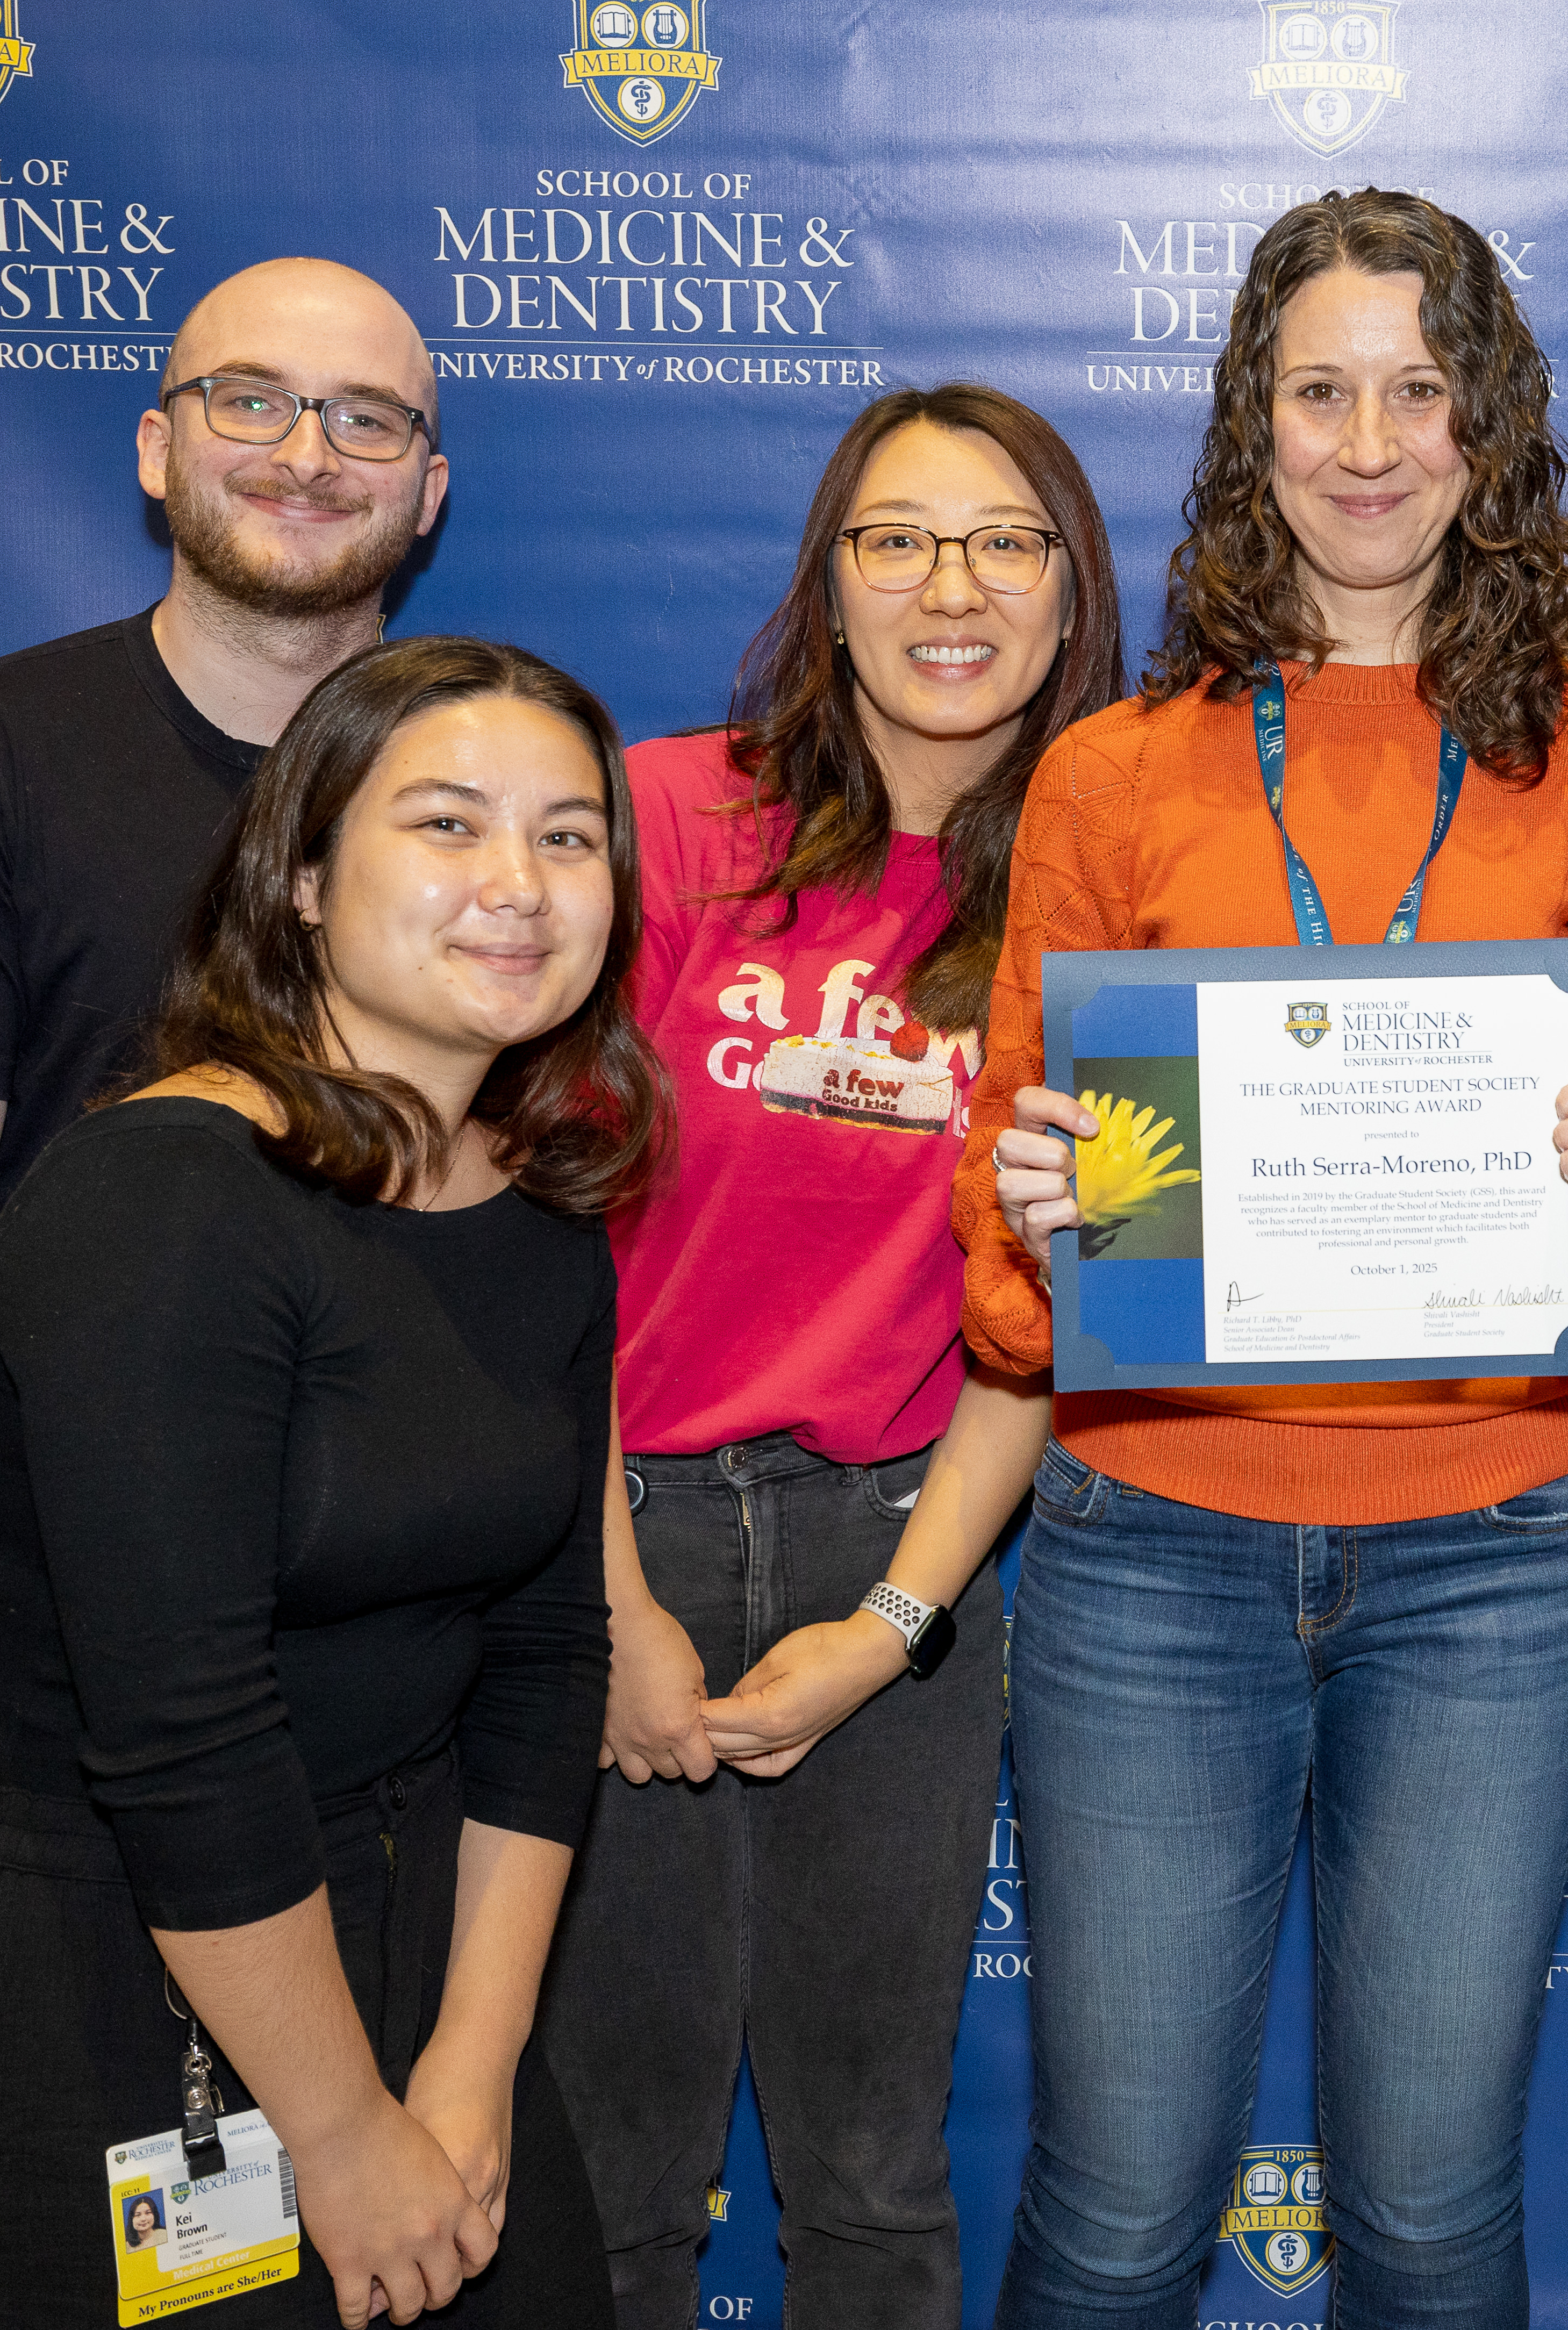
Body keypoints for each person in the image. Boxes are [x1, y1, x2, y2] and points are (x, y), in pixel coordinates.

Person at [960, 189, 1568, 2327]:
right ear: (1244, 426)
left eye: (1417, 390)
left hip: (1496, 1557)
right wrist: (1034, 1210)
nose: (1367, 443)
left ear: (1488, 429)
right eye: (1317, 391)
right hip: (1144, 1554)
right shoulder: (1110, 771)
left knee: (1438, 2210)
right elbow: (1007, 1280)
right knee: (1110, 2206)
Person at [0, 636, 663, 2328]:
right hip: (88, 1966)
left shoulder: (541, 1216)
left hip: (406, 1951)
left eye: (571, 838)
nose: (520, 884)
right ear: (298, 880)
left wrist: (474, 2067)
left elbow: (550, 1655)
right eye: (448, 825)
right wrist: (341, 2136)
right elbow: (181, 1736)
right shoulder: (166, 1207)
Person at [532, 384, 1123, 2330]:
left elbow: (1062, 1316)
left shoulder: (1110, 887)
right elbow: (528, 1223)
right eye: (896, 538)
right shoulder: (666, 816)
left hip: (912, 1550)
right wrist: (607, 1595)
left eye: (1005, 539)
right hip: (623, 1533)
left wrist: (893, 1627)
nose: (951, 586)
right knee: (611, 2167)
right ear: (831, 585)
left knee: (874, 2176)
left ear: (1069, 590)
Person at [0, 256, 453, 1964]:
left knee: (361, 2206)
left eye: (365, 417)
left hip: (380, 1657)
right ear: (159, 445)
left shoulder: (493, 793)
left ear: (428, 487)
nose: (308, 452)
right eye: (252, 399)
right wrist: (167, 1563)